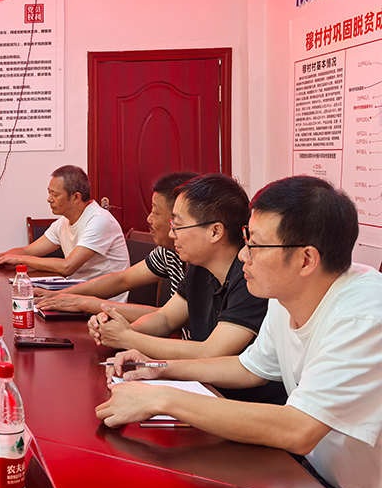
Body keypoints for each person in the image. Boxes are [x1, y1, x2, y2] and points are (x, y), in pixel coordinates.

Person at [96, 176, 381, 488]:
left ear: (306, 259)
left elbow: (298, 429)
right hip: (319, 476)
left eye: (256, 245)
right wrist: (158, 369)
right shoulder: (285, 295)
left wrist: (162, 399)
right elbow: (248, 367)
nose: (244, 254)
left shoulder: (362, 316)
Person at [88, 173, 283, 403]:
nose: (172, 234)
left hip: (243, 403)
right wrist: (118, 328)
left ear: (215, 232)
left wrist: (127, 338)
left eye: (178, 225)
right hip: (205, 389)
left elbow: (212, 352)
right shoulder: (200, 267)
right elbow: (165, 319)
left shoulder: (250, 277)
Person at [35, 171, 197, 330]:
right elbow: (122, 279)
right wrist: (61, 295)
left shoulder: (202, 264)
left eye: (155, 212)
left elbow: (167, 318)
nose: (149, 219)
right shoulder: (168, 252)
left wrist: (86, 303)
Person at [0, 165, 129, 292]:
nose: (49, 199)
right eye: (49, 192)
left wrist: (19, 259)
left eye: (55, 195)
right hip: (78, 292)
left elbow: (67, 267)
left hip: (104, 300)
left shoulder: (99, 220)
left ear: (76, 197)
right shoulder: (63, 222)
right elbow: (28, 251)